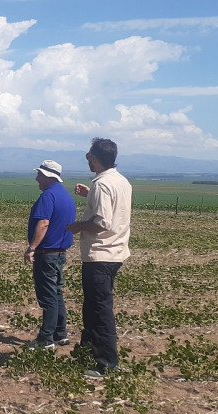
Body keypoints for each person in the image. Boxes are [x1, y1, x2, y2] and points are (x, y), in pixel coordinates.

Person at [67, 138, 132, 378]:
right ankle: (86, 353)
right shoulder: (121, 181)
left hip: (100, 254)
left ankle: (106, 363)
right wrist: (90, 194)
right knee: (93, 307)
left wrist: (77, 227)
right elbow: (113, 210)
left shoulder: (103, 184)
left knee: (100, 309)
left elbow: (102, 223)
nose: (87, 159)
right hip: (115, 252)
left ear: (95, 158)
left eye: (88, 156)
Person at [24, 160, 76, 349]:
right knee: (57, 293)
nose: (37, 178)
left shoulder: (48, 196)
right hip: (60, 253)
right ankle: (60, 334)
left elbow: (43, 223)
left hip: (47, 254)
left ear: (47, 176)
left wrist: (32, 248)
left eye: (39, 174)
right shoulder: (66, 196)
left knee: (48, 297)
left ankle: (46, 338)